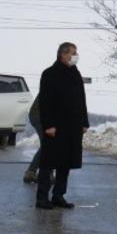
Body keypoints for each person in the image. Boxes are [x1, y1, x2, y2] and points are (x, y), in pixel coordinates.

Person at [35, 43, 89, 210]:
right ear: (63, 55)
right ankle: (42, 197)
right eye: (73, 53)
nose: (76, 55)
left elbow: (81, 99)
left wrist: (84, 122)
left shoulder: (75, 73)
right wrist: (49, 125)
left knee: (65, 161)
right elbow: (45, 102)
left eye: (76, 52)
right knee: (49, 161)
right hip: (55, 126)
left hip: (72, 125)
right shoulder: (50, 74)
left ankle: (59, 195)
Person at [22, 96, 41, 184]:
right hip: (39, 116)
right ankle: (31, 172)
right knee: (48, 145)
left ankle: (47, 172)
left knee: (50, 145)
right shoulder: (54, 84)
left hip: (44, 115)